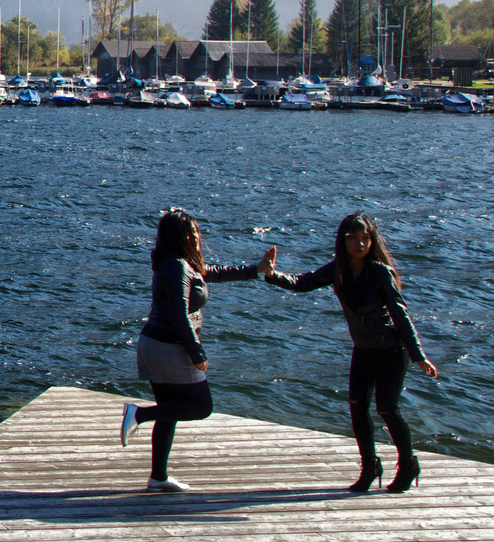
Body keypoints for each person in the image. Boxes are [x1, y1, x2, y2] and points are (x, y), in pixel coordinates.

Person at [264, 213, 439, 493]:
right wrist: (272, 275)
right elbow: (302, 282)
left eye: (365, 238)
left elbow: (400, 313)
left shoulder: (380, 271)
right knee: (357, 407)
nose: (360, 244)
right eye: (354, 238)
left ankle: (407, 465)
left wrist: (418, 355)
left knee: (387, 409)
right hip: (364, 350)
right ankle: (369, 467)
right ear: (343, 241)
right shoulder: (338, 269)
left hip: (391, 350)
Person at [118, 208, 276, 491]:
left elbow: (212, 273)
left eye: (196, 231)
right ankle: (138, 415)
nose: (196, 237)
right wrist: (197, 353)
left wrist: (256, 270)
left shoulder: (179, 263)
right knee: (201, 407)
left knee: (170, 411)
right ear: (176, 238)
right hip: (169, 346)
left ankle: (158, 478)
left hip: (156, 344)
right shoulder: (176, 265)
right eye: (189, 233)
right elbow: (179, 314)